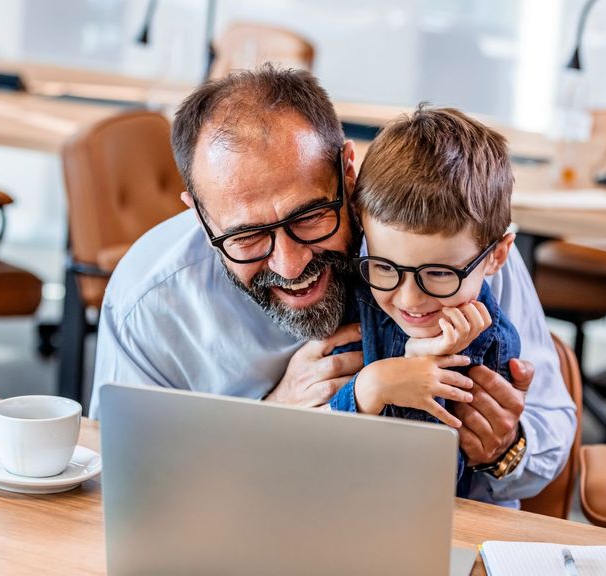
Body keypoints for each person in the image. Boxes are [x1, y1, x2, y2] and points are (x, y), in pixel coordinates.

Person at [91, 65, 576, 507]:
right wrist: (272, 419)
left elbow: (551, 432)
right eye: (247, 236)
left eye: (310, 216)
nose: (289, 262)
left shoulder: (452, 245)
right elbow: (129, 480)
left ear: (348, 171)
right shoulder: (149, 301)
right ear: (199, 215)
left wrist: (504, 450)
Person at [327, 106, 521, 493]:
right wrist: (369, 388)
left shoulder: (490, 343)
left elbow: (429, 482)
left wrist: (423, 362)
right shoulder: (352, 297)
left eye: (438, 274)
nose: (410, 298)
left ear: (497, 255)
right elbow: (321, 457)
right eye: (384, 266)